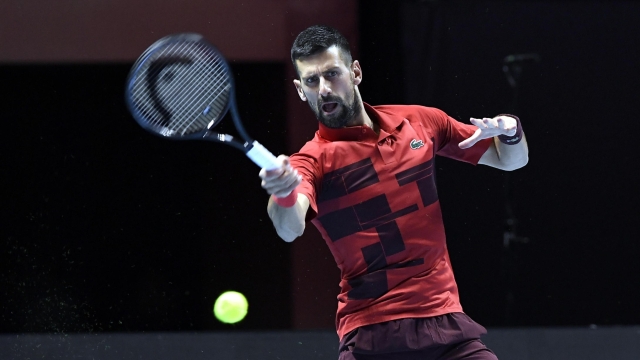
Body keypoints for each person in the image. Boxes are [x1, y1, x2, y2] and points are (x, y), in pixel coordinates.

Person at [259, 25, 528, 360]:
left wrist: (511, 131)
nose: (324, 89)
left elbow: (510, 161)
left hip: (447, 327)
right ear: (300, 90)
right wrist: (283, 194)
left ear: (355, 72)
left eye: (332, 74)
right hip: (373, 335)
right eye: (312, 81)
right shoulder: (312, 161)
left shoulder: (419, 122)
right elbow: (289, 228)